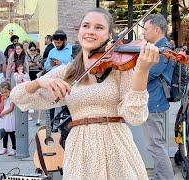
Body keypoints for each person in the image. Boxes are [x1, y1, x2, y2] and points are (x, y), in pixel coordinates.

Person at [10, 8, 159, 179]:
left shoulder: (119, 69)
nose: (90, 31)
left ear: (110, 35)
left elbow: (135, 117)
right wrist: (38, 82)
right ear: (79, 31)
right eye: (86, 26)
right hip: (80, 150)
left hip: (116, 147)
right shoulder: (67, 72)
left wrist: (141, 72)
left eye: (99, 27)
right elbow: (17, 95)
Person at [141, 14, 175, 180]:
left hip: (154, 102)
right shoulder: (157, 48)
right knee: (155, 145)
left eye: (146, 29)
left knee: (156, 145)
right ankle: (159, 176)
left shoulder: (163, 50)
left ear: (156, 29)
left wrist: (136, 70)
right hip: (154, 101)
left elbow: (150, 73)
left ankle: (166, 177)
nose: (143, 33)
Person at [0, 81, 16, 156]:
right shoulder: (3, 97)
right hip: (4, 116)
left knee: (11, 133)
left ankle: (14, 148)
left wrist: (3, 113)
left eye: (5, 92)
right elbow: (1, 108)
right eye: (2, 93)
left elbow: (11, 108)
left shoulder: (12, 97)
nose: (4, 94)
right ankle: (4, 147)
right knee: (4, 133)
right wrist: (2, 101)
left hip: (10, 116)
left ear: (9, 90)